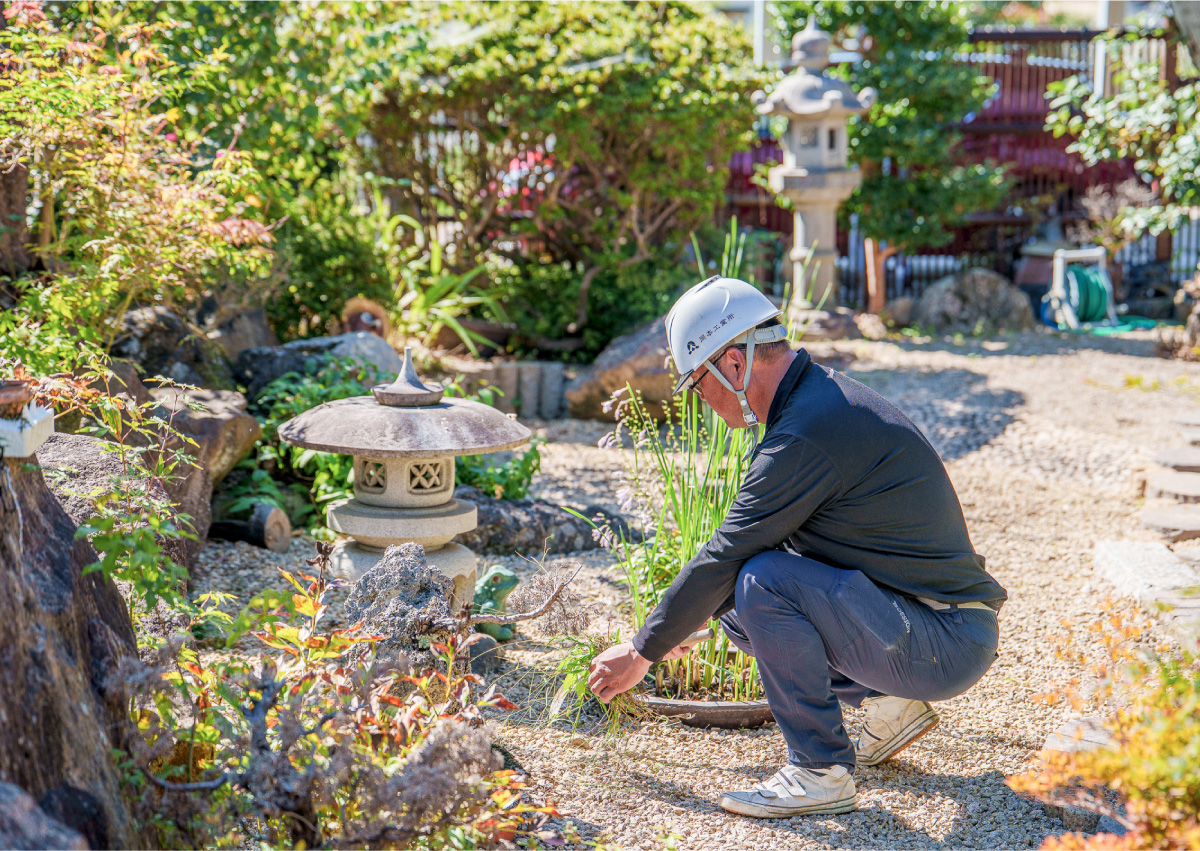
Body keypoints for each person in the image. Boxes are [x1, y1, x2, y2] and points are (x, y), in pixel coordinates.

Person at [587, 276, 1006, 818]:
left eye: (697, 384)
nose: (700, 400)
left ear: (734, 364)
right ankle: (890, 706)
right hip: (935, 624)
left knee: (760, 582)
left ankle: (819, 771)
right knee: (737, 606)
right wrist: (678, 627)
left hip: (944, 641)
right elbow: (739, 556)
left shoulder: (805, 434)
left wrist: (641, 651)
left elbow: (727, 553)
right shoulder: (819, 402)